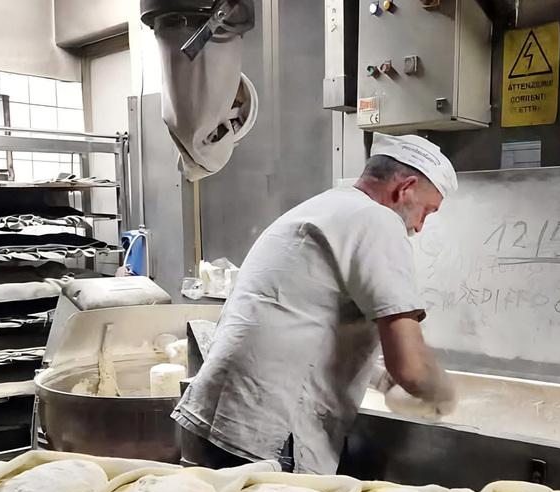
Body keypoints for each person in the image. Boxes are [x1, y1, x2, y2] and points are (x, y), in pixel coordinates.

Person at [173, 133, 458, 474]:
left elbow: (305, 327)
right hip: (268, 436)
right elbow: (411, 369)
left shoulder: (326, 208)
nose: (419, 226)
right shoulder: (378, 220)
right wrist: (445, 395)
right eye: (426, 211)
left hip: (218, 421)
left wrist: (380, 380)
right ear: (405, 188)